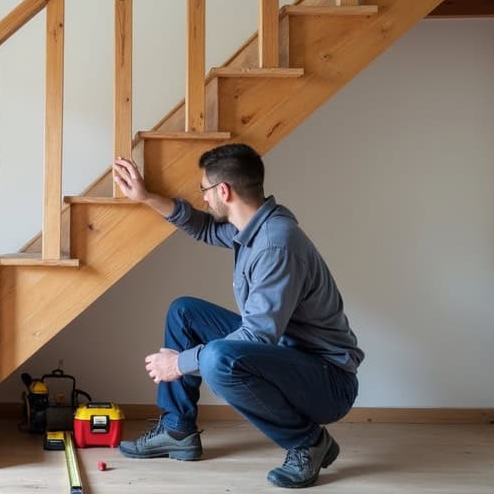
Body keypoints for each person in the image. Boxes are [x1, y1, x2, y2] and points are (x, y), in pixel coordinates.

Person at [111, 143, 363, 489]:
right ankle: (177, 429)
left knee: (216, 358)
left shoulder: (275, 244)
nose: (203, 198)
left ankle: (309, 443)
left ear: (223, 191)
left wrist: (180, 363)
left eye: (204, 189)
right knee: (184, 311)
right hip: (289, 357)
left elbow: (258, 337)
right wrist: (146, 197)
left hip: (327, 381)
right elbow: (203, 227)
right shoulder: (254, 228)